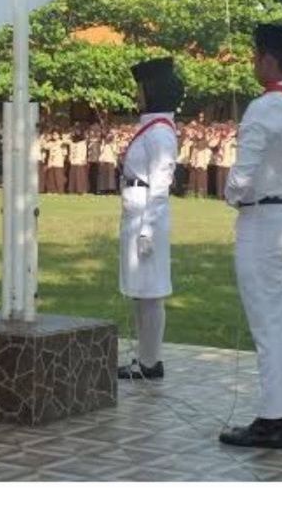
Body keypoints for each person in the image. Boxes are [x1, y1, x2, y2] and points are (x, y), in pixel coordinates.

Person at [220, 24, 282, 450]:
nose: (252, 62)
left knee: (269, 323)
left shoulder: (266, 107)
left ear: (266, 58)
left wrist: (230, 193)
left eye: (254, 55)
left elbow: (242, 177)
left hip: (264, 221)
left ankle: (273, 420)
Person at [117, 57, 184, 382]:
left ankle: (151, 361)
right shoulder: (152, 127)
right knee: (141, 292)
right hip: (136, 210)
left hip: (148, 214)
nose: (136, 95)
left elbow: (160, 184)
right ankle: (144, 358)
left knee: (151, 291)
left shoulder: (160, 134)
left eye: (140, 88)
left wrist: (147, 228)